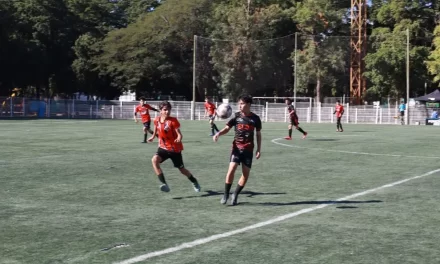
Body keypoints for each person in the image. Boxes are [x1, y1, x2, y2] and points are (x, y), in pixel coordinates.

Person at [213, 95, 262, 206]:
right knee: (232, 169)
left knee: (245, 175)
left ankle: (235, 194)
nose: (240, 106)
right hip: (236, 148)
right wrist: (218, 133)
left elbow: (258, 134)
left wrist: (259, 149)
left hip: (248, 149)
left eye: (242, 103)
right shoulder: (236, 117)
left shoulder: (255, 119)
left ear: (248, 105)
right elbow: (227, 128)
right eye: (239, 103)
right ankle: (226, 194)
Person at [147, 101, 201, 193]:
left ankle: (194, 181)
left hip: (174, 149)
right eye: (165, 110)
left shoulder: (173, 121)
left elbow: (179, 134)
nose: (167, 111)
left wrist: (179, 138)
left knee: (182, 170)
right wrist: (153, 136)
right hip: (163, 148)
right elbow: (156, 127)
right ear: (160, 110)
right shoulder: (156, 120)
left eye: (168, 109)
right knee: (154, 160)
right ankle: (164, 184)